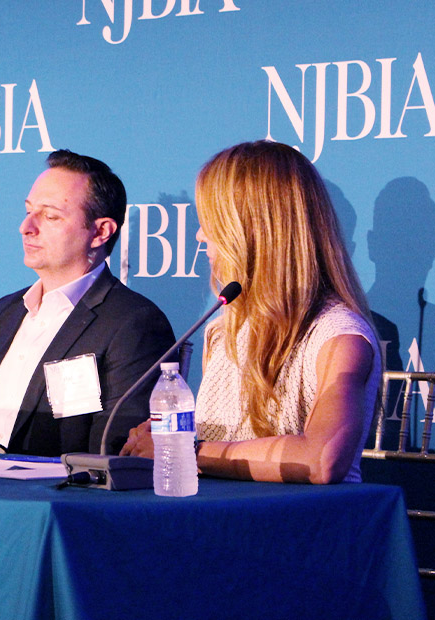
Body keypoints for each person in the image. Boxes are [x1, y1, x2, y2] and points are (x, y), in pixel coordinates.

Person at [120, 140, 381, 483]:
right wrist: (162, 435)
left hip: (305, 517)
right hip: (220, 511)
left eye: (212, 221)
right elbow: (224, 447)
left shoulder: (340, 337)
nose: (199, 235)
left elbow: (322, 460)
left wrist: (182, 449)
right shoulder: (222, 331)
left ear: (254, 231)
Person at [0, 149, 176, 456]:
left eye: (50, 216)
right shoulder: (1, 313)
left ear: (100, 232)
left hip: (56, 486)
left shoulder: (134, 324)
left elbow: (116, 452)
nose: (26, 227)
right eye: (28, 211)